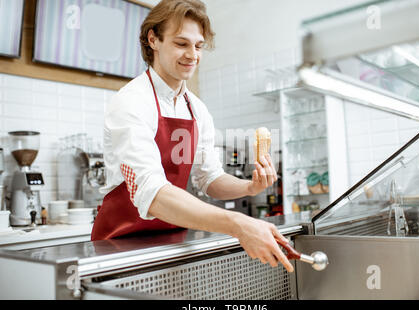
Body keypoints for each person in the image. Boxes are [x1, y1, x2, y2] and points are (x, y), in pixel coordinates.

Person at [91, 0, 293, 273]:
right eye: (181, 44)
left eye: (198, 46)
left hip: (172, 242)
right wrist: (238, 224)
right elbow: (152, 193)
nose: (193, 55)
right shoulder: (131, 102)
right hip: (120, 247)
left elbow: (209, 178)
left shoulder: (196, 109)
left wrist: (249, 187)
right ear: (154, 40)